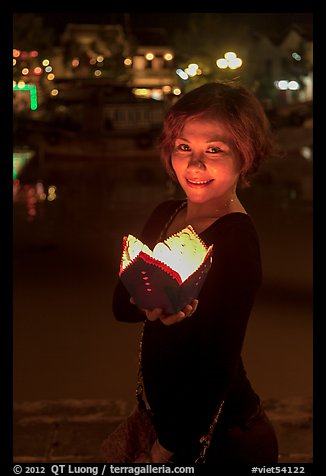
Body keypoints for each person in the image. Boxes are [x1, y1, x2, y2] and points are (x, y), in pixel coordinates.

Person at [112, 80, 279, 464]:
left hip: (223, 436)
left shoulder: (236, 242)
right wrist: (150, 306)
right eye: (184, 147)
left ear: (246, 156)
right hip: (166, 418)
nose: (195, 164)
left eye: (214, 150)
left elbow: (216, 364)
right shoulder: (165, 214)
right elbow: (121, 305)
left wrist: (163, 449)